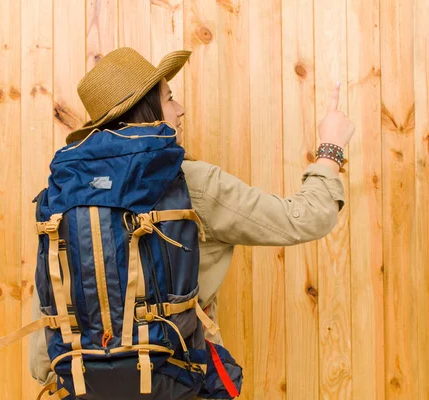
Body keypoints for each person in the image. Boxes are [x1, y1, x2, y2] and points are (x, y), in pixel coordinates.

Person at [28, 47, 354, 392]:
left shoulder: (65, 191)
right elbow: (303, 218)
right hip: (176, 381)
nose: (180, 109)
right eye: (170, 99)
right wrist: (330, 148)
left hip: (84, 388)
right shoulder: (191, 183)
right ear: (149, 111)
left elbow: (47, 319)